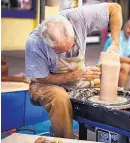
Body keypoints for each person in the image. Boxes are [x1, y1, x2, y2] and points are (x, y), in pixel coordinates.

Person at [25, 3, 122, 138]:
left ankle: (108, 135)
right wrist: (73, 75)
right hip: (44, 82)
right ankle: (66, 139)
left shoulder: (78, 18)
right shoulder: (34, 42)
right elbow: (41, 78)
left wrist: (115, 43)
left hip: (77, 78)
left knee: (114, 92)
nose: (68, 52)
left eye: (71, 46)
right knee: (60, 97)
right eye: (61, 51)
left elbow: (115, 9)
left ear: (71, 26)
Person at [103, 19, 130, 90]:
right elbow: (117, 58)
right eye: (129, 28)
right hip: (107, 62)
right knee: (125, 67)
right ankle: (120, 91)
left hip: (119, 63)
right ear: (124, 27)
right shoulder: (117, 37)